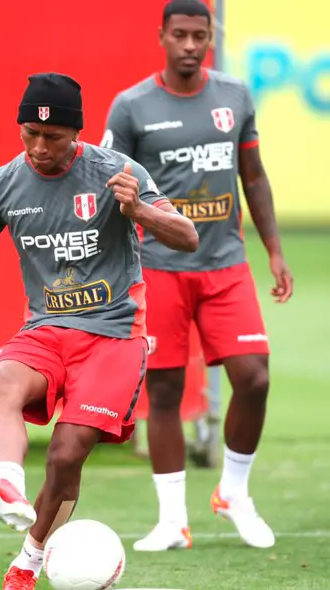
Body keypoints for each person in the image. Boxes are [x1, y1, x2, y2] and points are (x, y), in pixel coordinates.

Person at [0, 73, 198, 590]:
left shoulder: (118, 172)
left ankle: (29, 559)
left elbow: (188, 237)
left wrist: (139, 210)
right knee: (2, 385)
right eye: (29, 134)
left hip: (114, 334)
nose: (39, 147)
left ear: (75, 134)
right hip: (46, 329)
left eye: (53, 137)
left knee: (66, 453)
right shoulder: (1, 185)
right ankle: (9, 488)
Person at [100, 0, 292, 551]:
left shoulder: (234, 96)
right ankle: (171, 521)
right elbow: (113, 190)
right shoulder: (131, 107)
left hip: (226, 264)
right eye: (180, 34)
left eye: (199, 35)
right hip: (159, 268)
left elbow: (252, 177)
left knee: (254, 377)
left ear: (212, 36)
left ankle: (233, 492)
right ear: (161, 35)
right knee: (164, 390)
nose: (190, 44)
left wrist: (274, 252)